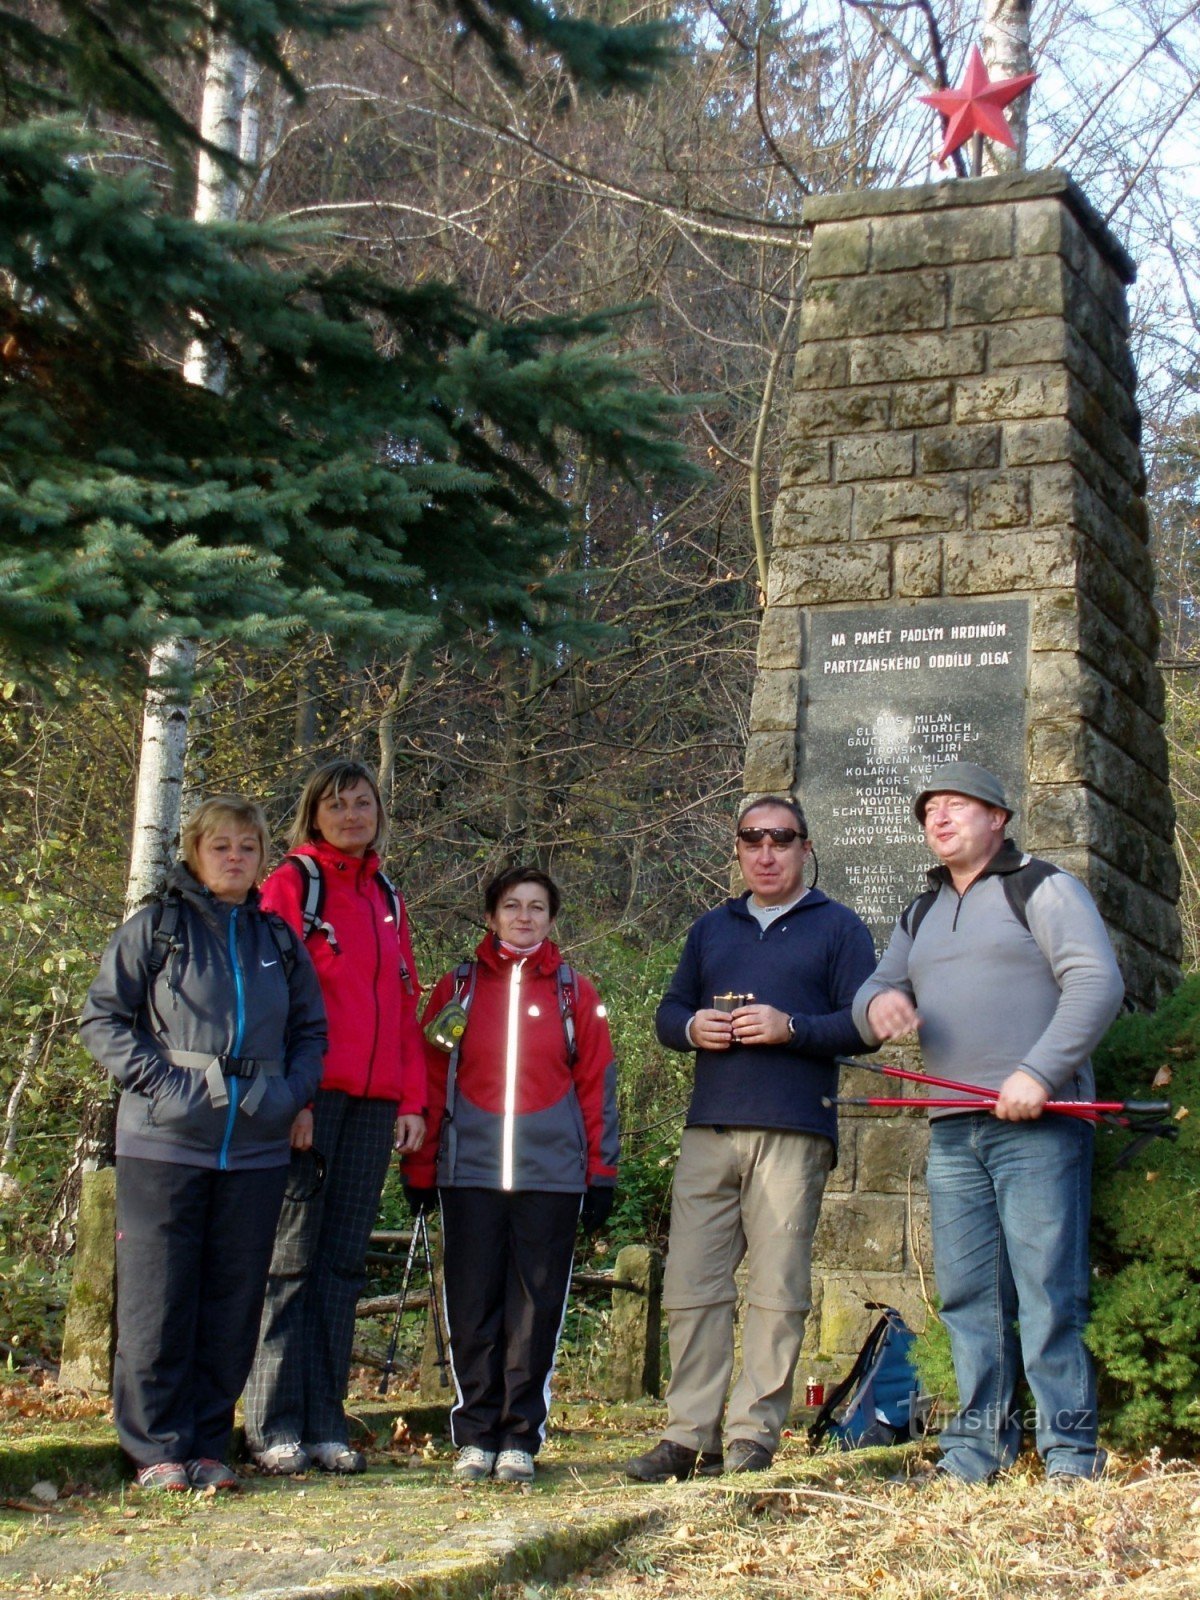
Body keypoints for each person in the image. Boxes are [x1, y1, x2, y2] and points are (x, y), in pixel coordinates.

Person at [852, 761, 1124, 1485]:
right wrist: (875, 1008)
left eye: (955, 805)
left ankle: (1069, 1455)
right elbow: (879, 986)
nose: (938, 819)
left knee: (1047, 1294)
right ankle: (975, 1454)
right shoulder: (921, 910)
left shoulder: (1044, 887)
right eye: (929, 810)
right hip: (952, 1132)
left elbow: (1097, 983)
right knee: (969, 1296)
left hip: (1041, 1127)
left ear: (997, 816)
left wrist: (1038, 1072)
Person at [623, 796, 876, 1481]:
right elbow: (668, 1011)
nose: (766, 853)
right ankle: (688, 1436)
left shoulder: (840, 928)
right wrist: (689, 1028)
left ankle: (752, 1437)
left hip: (793, 1130)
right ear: (737, 849)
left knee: (776, 1289)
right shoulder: (712, 929)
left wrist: (791, 1028)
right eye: (752, 840)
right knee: (691, 1287)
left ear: (805, 846)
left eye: (781, 840)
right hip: (710, 1127)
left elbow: (866, 1024)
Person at [80, 797, 327, 1492]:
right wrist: (164, 1084)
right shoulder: (155, 929)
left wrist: (286, 1098)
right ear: (194, 852)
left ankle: (209, 1442)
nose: (234, 857)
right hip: (164, 1143)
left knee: (232, 1298)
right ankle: (156, 1446)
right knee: (157, 1299)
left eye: (247, 847)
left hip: (254, 1148)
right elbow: (102, 1018)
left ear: (261, 859)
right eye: (220, 846)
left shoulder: (278, 941)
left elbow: (312, 1034)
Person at [403, 866, 619, 1484]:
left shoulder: (576, 993)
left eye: (536, 908)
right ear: (492, 915)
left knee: (535, 1308)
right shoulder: (459, 987)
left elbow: (597, 1084)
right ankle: (474, 1436)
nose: (523, 917)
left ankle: (520, 1436)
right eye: (510, 906)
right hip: (468, 1171)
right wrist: (420, 1166)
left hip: (551, 1177)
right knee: (471, 1305)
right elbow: (427, 1075)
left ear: (553, 919)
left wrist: (600, 1172)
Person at [243, 759, 426, 1476]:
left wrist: (412, 1101)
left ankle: (324, 1422)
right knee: (290, 1262)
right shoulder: (293, 884)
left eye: (362, 803)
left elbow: (405, 1006)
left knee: (344, 1266)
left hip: (378, 1103)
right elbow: (270, 1002)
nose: (352, 815)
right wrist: (292, 1098)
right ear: (313, 815)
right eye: (336, 805)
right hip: (313, 1100)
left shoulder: (387, 894)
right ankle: (272, 1422)